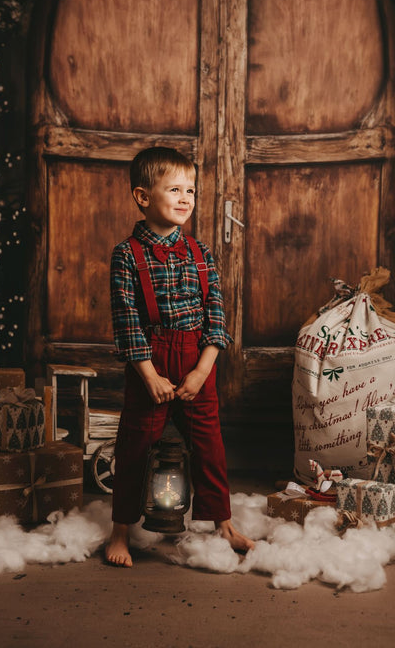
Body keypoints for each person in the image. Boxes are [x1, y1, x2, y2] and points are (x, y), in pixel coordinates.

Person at [106, 146, 254, 566]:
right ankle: (120, 531)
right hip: (149, 362)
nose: (186, 197)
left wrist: (203, 370)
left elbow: (216, 317)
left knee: (210, 446)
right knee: (135, 445)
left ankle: (223, 525)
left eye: (190, 189)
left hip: (195, 361)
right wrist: (149, 376)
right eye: (174, 189)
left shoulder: (201, 254)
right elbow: (127, 322)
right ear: (143, 196)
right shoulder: (126, 256)